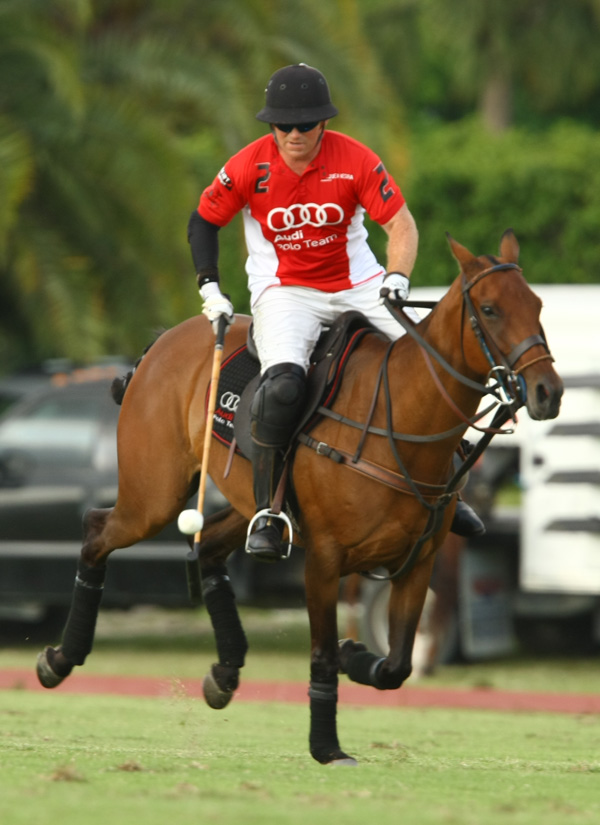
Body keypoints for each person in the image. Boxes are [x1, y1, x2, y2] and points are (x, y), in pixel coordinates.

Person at [188, 63, 483, 561]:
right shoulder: (246, 167)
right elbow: (203, 221)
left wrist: (397, 277)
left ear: (324, 123)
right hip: (285, 291)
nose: (294, 134)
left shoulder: (356, 161)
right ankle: (269, 510)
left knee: (434, 365)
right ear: (271, 125)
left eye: (305, 124)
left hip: (361, 284)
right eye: (284, 125)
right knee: (281, 386)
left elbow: (402, 227)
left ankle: (453, 488)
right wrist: (210, 287)